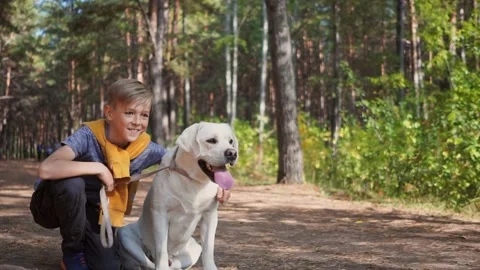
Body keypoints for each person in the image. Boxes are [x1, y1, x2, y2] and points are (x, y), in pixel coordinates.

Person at [29, 79, 232, 270]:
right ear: (109, 113)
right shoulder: (88, 136)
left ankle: (86, 245)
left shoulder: (146, 149)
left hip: (95, 212)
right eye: (129, 113)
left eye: (144, 115)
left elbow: (181, 159)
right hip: (50, 205)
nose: (137, 121)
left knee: (108, 266)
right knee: (71, 184)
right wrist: (98, 168)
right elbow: (47, 168)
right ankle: (72, 252)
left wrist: (219, 179)